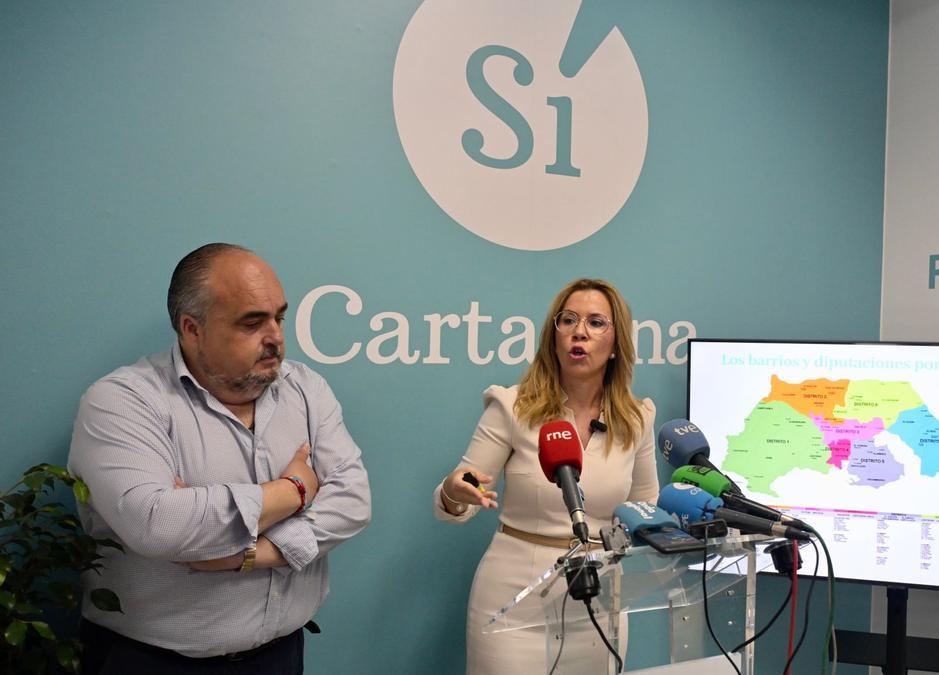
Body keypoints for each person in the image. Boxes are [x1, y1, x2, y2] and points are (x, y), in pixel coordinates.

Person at [68, 243, 371, 674]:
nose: (276, 338)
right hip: (150, 662)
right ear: (192, 328)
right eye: (252, 323)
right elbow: (157, 525)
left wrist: (249, 554)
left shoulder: (306, 389)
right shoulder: (123, 401)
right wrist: (296, 490)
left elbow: (354, 501)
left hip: (280, 656)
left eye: (279, 317)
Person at [434, 278, 659, 674]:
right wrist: (455, 493)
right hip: (514, 603)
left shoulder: (636, 419)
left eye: (596, 323)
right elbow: (462, 491)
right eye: (568, 320)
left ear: (616, 344)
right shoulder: (512, 406)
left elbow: (646, 508)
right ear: (553, 337)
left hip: (598, 600)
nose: (579, 332)